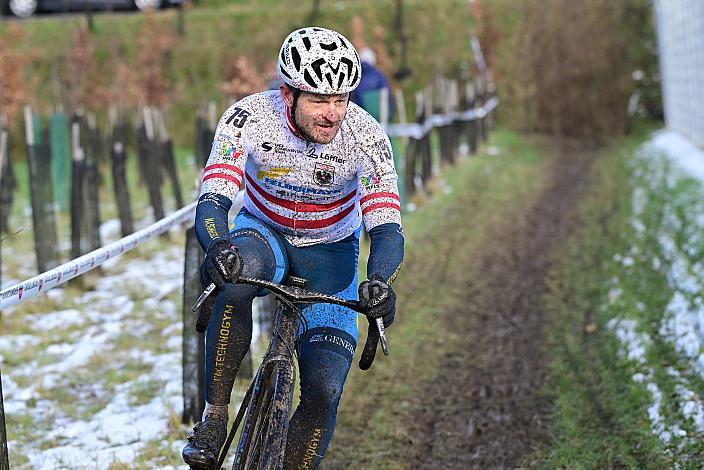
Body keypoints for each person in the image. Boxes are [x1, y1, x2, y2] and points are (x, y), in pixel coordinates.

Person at [182, 26, 404, 469]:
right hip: (266, 235)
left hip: (331, 256)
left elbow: (387, 227)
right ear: (288, 95)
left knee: (323, 391)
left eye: (341, 99)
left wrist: (378, 280)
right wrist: (218, 244)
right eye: (320, 100)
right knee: (236, 275)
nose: (333, 113)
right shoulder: (248, 118)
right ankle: (213, 418)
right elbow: (214, 197)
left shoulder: (367, 135)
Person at [350, 47, 392, 122]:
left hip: (360, 117)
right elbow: (387, 95)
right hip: (380, 117)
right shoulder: (379, 76)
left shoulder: (355, 76)